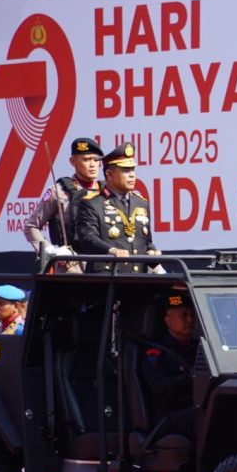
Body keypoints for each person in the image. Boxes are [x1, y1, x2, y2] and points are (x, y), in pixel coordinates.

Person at [75, 143, 160, 273]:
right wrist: (112, 251)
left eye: (132, 169)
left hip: (139, 278)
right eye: (126, 170)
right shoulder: (92, 203)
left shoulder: (141, 203)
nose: (132, 175)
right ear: (109, 174)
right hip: (107, 278)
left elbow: (146, 241)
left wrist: (152, 251)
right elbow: (88, 238)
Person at [23, 137, 103, 269]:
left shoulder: (105, 191)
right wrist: (51, 251)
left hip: (102, 263)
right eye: (87, 159)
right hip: (71, 265)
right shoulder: (59, 192)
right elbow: (31, 226)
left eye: (96, 160)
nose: (93, 164)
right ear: (73, 161)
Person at [139, 293, 198, 438]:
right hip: (168, 418)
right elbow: (161, 387)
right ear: (168, 321)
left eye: (192, 315)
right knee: (209, 415)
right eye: (183, 315)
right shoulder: (155, 353)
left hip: (195, 408)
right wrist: (191, 378)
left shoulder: (200, 349)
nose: (190, 320)